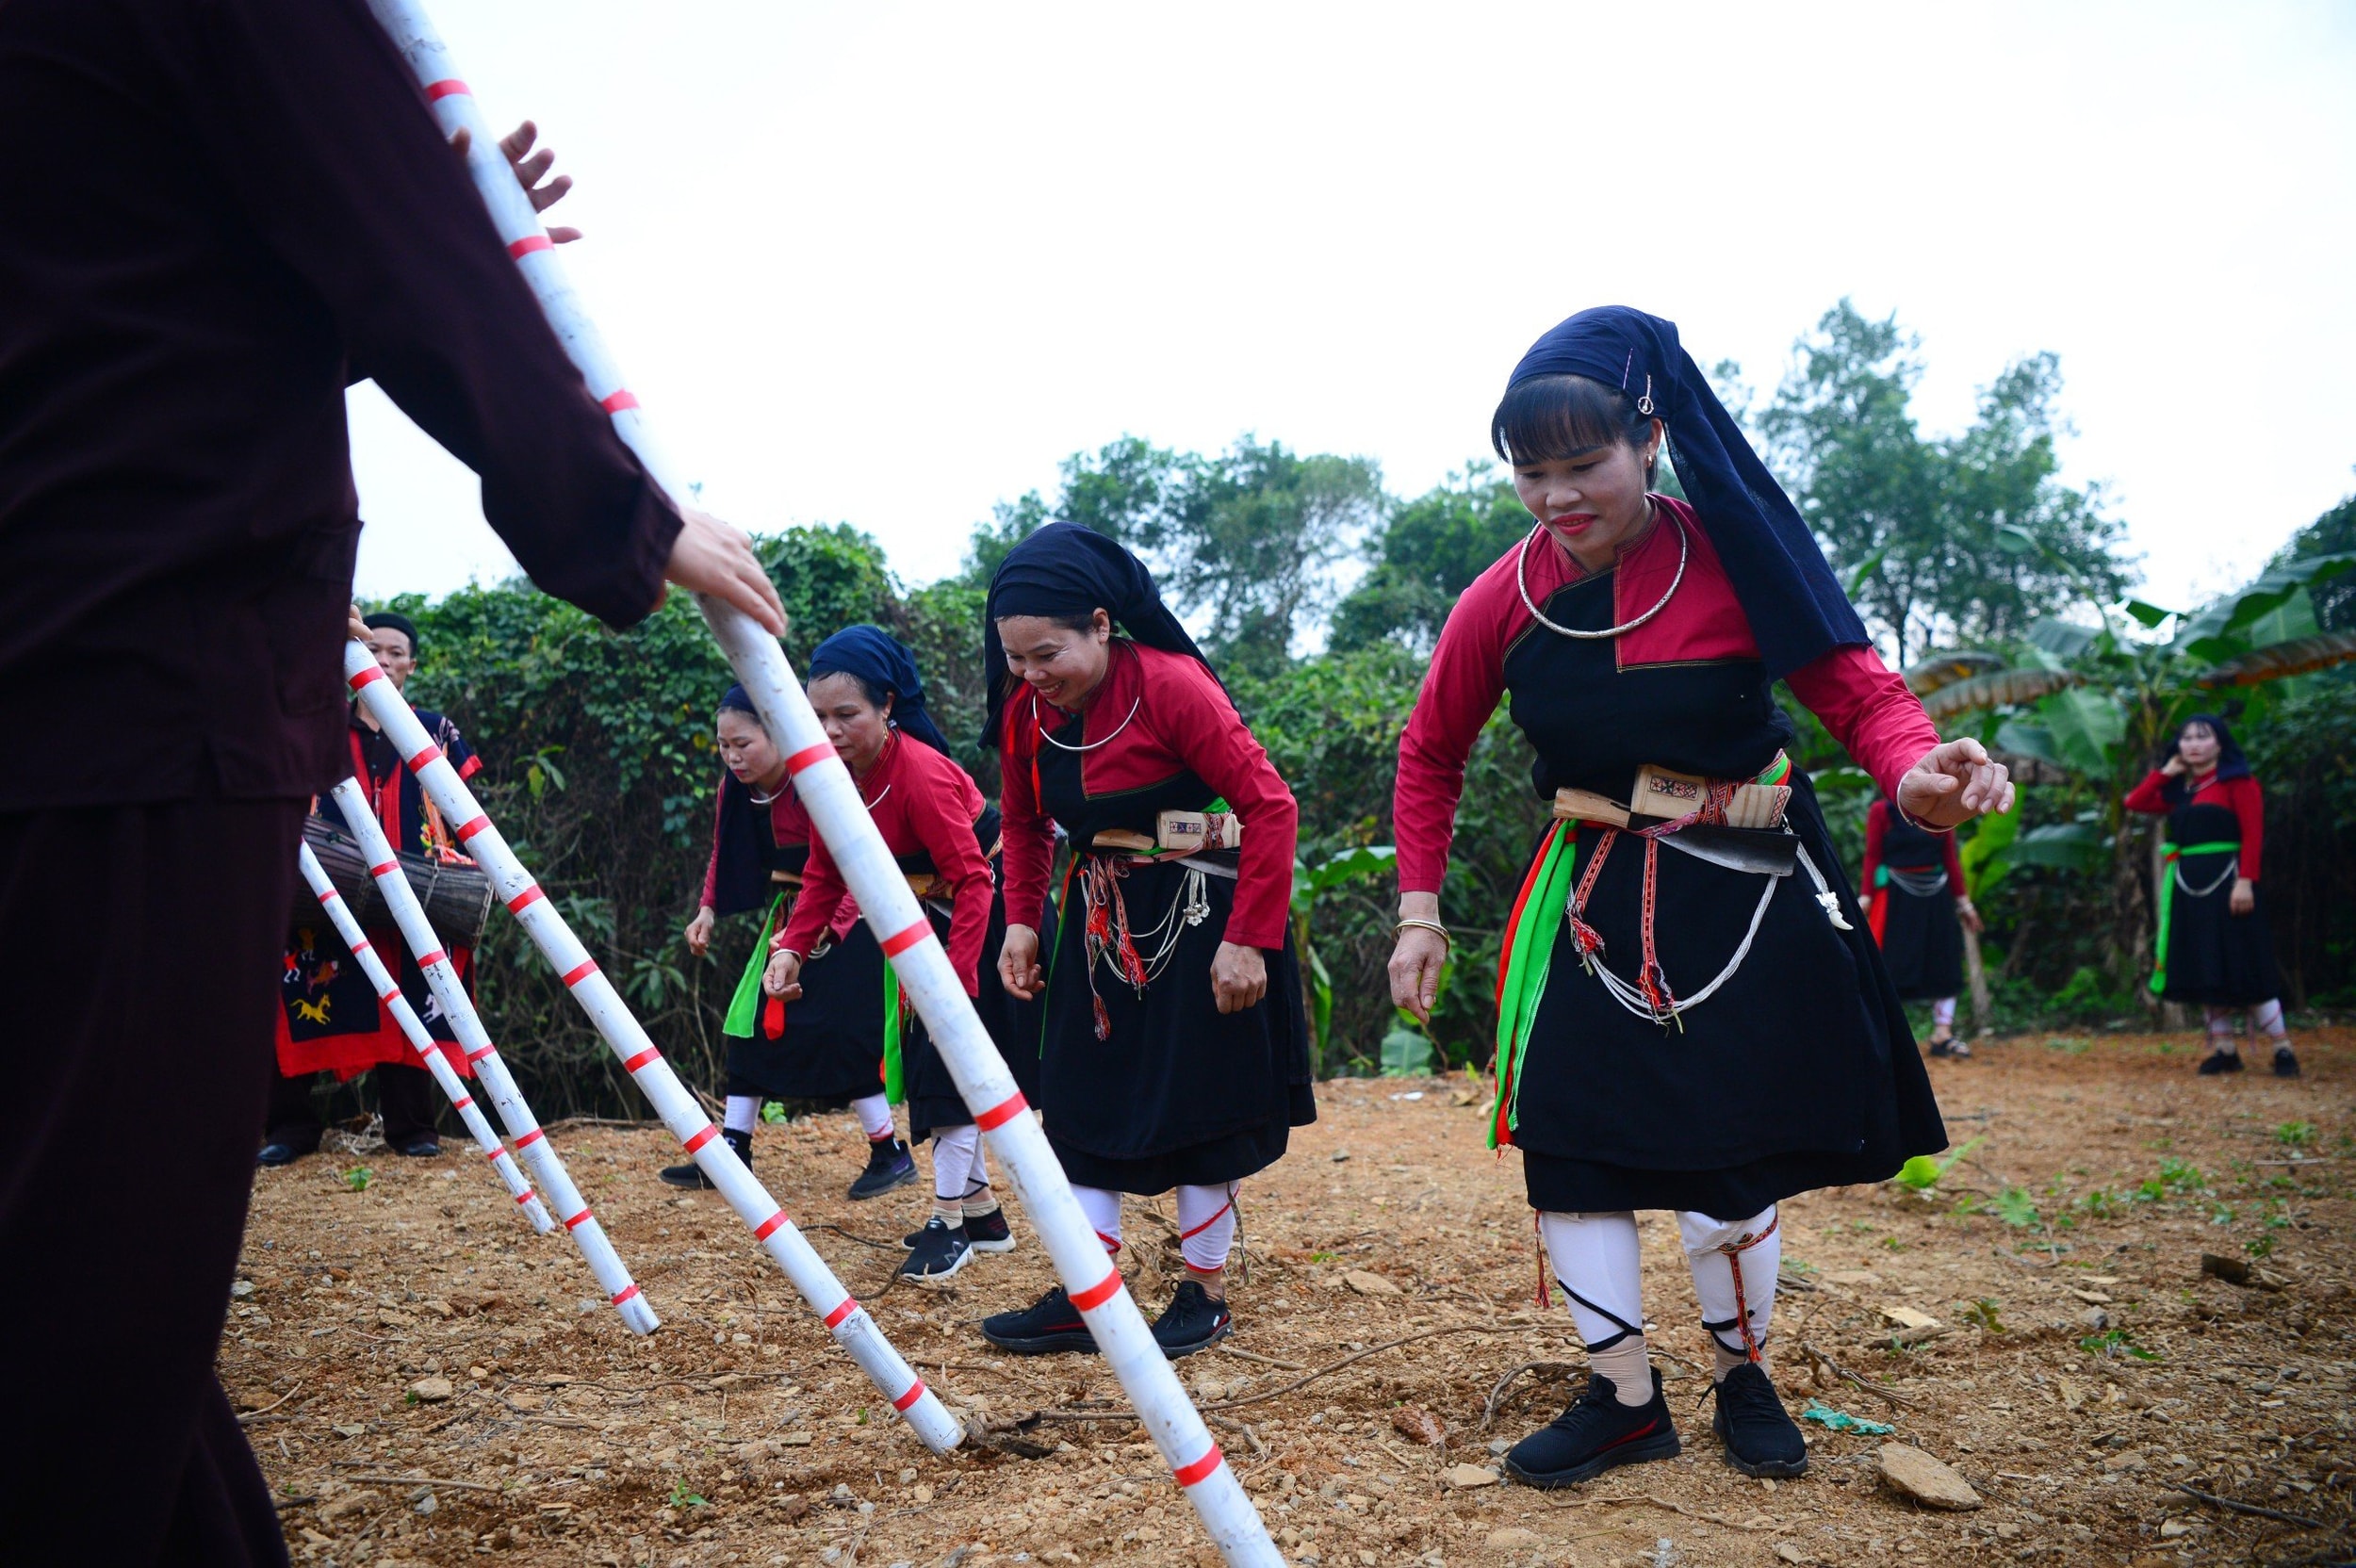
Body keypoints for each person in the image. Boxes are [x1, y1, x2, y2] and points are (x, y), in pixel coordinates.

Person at [0, 1, 785, 1557]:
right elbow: (380, 236)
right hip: (131, 687)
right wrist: (616, 516)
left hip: (72, 666)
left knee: (85, 1272)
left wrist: (406, 215)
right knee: (85, 1310)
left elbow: (135, 296)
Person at [1386, 307, 2011, 1489]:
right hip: (1590, 906)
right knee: (1570, 1151)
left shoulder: (1736, 561)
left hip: (1748, 896)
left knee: (1728, 1163)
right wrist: (1418, 913)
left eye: (1585, 464)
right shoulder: (1499, 600)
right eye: (1531, 471)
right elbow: (1430, 752)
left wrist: (1918, 774)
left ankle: (1744, 1375)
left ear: (1652, 439)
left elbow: (1863, 696)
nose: (1557, 495)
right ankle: (1624, 1397)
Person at [976, 525, 1313, 1358]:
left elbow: (1271, 808)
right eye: (1016, 660)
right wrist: (1022, 919)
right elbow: (1022, 823)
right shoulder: (1028, 715)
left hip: (1201, 914)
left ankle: (1205, 1293)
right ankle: (1089, 1290)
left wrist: (1249, 942)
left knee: (1199, 1103)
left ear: (1100, 623)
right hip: (1098, 918)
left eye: (1046, 654)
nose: (1031, 676)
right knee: (1084, 1100)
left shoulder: (1171, 686)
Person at [757, 627, 1026, 1282]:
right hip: (929, 926)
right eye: (816, 717)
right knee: (935, 1069)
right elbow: (825, 874)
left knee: (950, 1070)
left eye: (846, 715)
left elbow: (974, 879)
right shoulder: (827, 780)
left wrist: (955, 986)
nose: (831, 729)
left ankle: (950, 1223)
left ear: (886, 706)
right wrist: (793, 948)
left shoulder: (921, 775)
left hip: (980, 922)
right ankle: (984, 1215)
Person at [663, 682, 915, 1198]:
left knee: (845, 1035)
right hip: (789, 917)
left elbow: (859, 863)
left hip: (845, 917)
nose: (732, 756)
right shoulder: (735, 790)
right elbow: (722, 851)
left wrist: (826, 927)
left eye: (743, 744)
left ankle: (889, 1151)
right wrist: (707, 910)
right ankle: (733, 1153)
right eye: (723, 745)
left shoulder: (822, 782)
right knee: (749, 1027)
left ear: (778, 735)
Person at [264, 612, 483, 1162]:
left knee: (415, 996)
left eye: (394, 652)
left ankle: (412, 1131)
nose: (382, 659)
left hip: (418, 892)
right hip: (329, 891)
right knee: (299, 989)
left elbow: (465, 814)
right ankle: (290, 1131)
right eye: (372, 648)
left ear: (411, 664)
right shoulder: (317, 726)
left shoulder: (434, 730)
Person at [2125, 714, 2296, 1076]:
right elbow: (2136, 802)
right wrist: (2167, 771)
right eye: (2186, 738)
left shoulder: (2239, 783)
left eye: (2203, 737)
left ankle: (2282, 1049)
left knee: (2245, 963)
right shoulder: (2182, 791)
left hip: (2231, 884)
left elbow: (2253, 834)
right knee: (2206, 964)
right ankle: (2225, 1049)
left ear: (2220, 743)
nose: (2194, 744)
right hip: (2189, 889)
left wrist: (2246, 881)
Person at [1859, 793, 1983, 1058]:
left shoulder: (1941, 810)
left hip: (1936, 897)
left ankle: (1942, 1034)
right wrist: (1866, 897)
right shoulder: (1882, 811)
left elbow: (1950, 858)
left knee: (1944, 962)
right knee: (1891, 966)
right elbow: (1873, 855)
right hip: (1896, 898)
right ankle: (1887, 1038)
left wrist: (1965, 904)